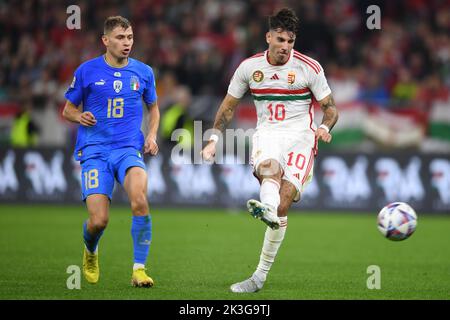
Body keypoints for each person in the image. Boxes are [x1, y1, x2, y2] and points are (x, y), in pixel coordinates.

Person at [201, 8, 338, 293]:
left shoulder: (308, 68)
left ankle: (260, 272)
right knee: (269, 172)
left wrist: (326, 127)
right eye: (280, 40)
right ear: (268, 37)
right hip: (268, 134)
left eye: (290, 41)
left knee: (284, 203)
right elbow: (227, 108)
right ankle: (267, 212)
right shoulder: (249, 68)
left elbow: (330, 108)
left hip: (302, 137)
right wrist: (213, 139)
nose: (285, 47)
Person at [62, 16, 160, 287]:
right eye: (120, 37)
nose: (126, 42)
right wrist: (79, 117)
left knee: (139, 198)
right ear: (105, 40)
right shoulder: (87, 71)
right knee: (99, 221)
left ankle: (139, 269)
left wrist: (151, 134)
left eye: (129, 37)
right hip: (94, 151)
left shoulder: (143, 72)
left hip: (128, 149)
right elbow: (68, 109)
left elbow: (153, 108)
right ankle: (91, 250)